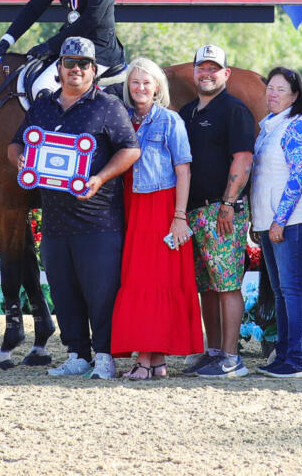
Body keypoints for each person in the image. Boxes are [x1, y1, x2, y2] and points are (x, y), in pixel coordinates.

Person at [6, 36, 140, 380]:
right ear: (59, 69)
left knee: (101, 293)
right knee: (64, 292)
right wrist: (21, 159)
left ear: (94, 71)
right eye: (69, 63)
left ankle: (106, 356)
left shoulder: (108, 106)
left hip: (99, 220)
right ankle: (77, 354)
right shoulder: (42, 106)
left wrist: (99, 177)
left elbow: (130, 149)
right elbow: (16, 144)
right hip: (55, 221)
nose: (75, 69)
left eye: (82, 64)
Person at [110, 58, 203, 379]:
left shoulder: (170, 120)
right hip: (133, 205)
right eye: (134, 82)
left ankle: (145, 360)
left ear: (157, 86)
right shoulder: (123, 120)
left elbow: (183, 169)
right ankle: (157, 359)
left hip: (160, 206)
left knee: (153, 280)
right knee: (141, 281)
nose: (140, 88)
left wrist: (179, 216)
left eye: (146, 82)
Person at [176, 43, 257, 379]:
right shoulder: (187, 112)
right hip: (195, 211)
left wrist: (228, 202)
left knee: (226, 285)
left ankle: (231, 357)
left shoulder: (234, 110)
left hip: (222, 211)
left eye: (213, 68)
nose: (206, 74)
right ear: (194, 72)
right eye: (201, 68)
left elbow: (243, 158)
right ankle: (212, 352)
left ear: (226, 73)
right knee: (206, 286)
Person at [249, 66, 302, 378]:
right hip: (270, 221)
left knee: (293, 288)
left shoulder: (296, 126)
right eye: (271, 88)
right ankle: (284, 353)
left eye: (281, 89)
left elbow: (300, 174)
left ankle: (299, 358)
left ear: (294, 95)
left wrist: (279, 219)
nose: (273, 94)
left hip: (292, 220)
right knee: (280, 290)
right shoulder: (270, 127)